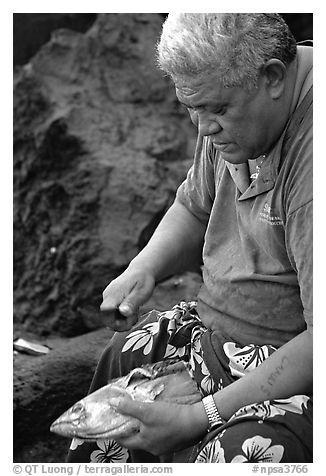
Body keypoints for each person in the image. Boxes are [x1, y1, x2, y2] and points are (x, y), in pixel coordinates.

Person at [67, 13, 312, 463]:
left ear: (274, 77)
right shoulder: (230, 104)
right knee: (120, 360)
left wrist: (202, 416)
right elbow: (194, 206)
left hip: (294, 371)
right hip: (214, 336)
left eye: (215, 110)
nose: (202, 128)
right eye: (191, 107)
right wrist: (145, 268)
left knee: (237, 454)